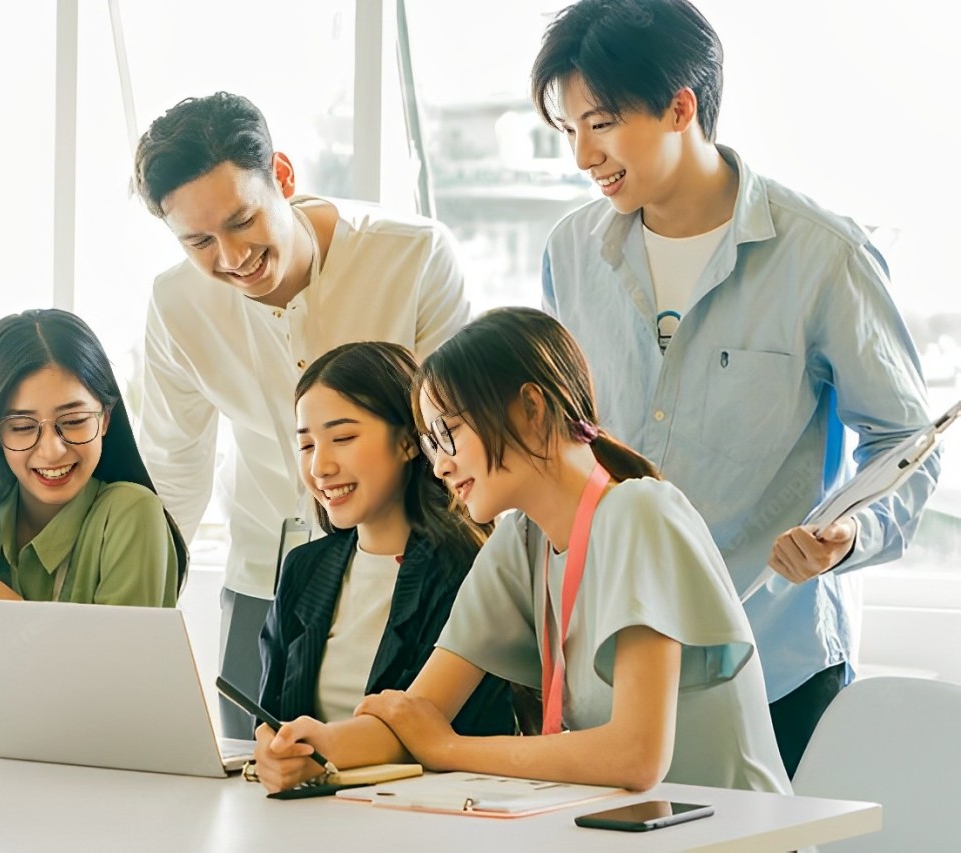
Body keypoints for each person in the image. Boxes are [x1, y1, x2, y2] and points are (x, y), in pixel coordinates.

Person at [530, 0, 940, 776]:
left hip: (775, 665)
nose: (583, 154)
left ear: (681, 106)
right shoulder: (570, 253)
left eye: (603, 122)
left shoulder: (824, 258)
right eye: (570, 129)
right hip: (612, 656)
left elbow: (907, 448)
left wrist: (846, 534)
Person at [252, 307, 790, 795]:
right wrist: (314, 746)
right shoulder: (521, 541)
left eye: (449, 432)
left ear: (531, 408)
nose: (439, 464)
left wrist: (447, 749)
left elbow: (636, 758)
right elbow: (419, 713)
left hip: (731, 835)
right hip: (630, 833)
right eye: (432, 443)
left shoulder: (638, 512)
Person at [133, 92, 470, 737]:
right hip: (263, 579)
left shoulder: (414, 255)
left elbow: (459, 438)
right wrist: (135, 625)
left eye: (242, 221)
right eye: (199, 241)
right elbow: (174, 470)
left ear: (282, 177)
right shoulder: (175, 304)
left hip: (413, 583)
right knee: (260, 791)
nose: (231, 258)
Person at [254, 342, 514, 752]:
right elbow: (268, 721)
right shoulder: (303, 569)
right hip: (311, 807)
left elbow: (450, 734)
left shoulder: (466, 569)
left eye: (342, 437)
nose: (320, 467)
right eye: (306, 445)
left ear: (410, 442)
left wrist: (326, 756)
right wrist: (273, 756)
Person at [0, 308, 185, 607]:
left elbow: (112, 656)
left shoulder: (131, 513)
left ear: (106, 419)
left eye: (73, 420)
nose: (52, 450)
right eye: (22, 427)